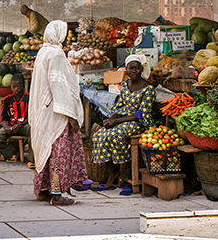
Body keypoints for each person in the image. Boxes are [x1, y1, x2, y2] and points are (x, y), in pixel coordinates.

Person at [29, 20, 88, 206]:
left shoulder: (43, 52)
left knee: (46, 152)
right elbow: (59, 86)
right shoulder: (56, 54)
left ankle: (42, 190)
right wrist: (71, 115)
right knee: (58, 155)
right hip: (56, 114)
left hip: (43, 112)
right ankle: (56, 194)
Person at [91, 55, 156, 195]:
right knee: (99, 135)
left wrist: (117, 121)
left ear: (141, 69)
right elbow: (118, 105)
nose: (134, 71)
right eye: (131, 68)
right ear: (126, 70)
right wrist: (111, 118)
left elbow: (141, 114)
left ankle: (127, 172)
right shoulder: (125, 85)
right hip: (122, 120)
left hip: (138, 123)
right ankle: (113, 171)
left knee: (115, 135)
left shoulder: (148, 89)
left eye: (137, 68)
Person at [0, 74, 33, 163]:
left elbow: (31, 117)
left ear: (23, 86)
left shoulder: (28, 98)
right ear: (11, 87)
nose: (16, 89)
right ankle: (12, 153)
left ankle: (32, 159)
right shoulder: (7, 99)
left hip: (24, 126)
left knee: (34, 133)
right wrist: (6, 127)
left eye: (18, 86)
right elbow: (4, 118)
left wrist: (20, 125)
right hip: (11, 126)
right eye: (14, 86)